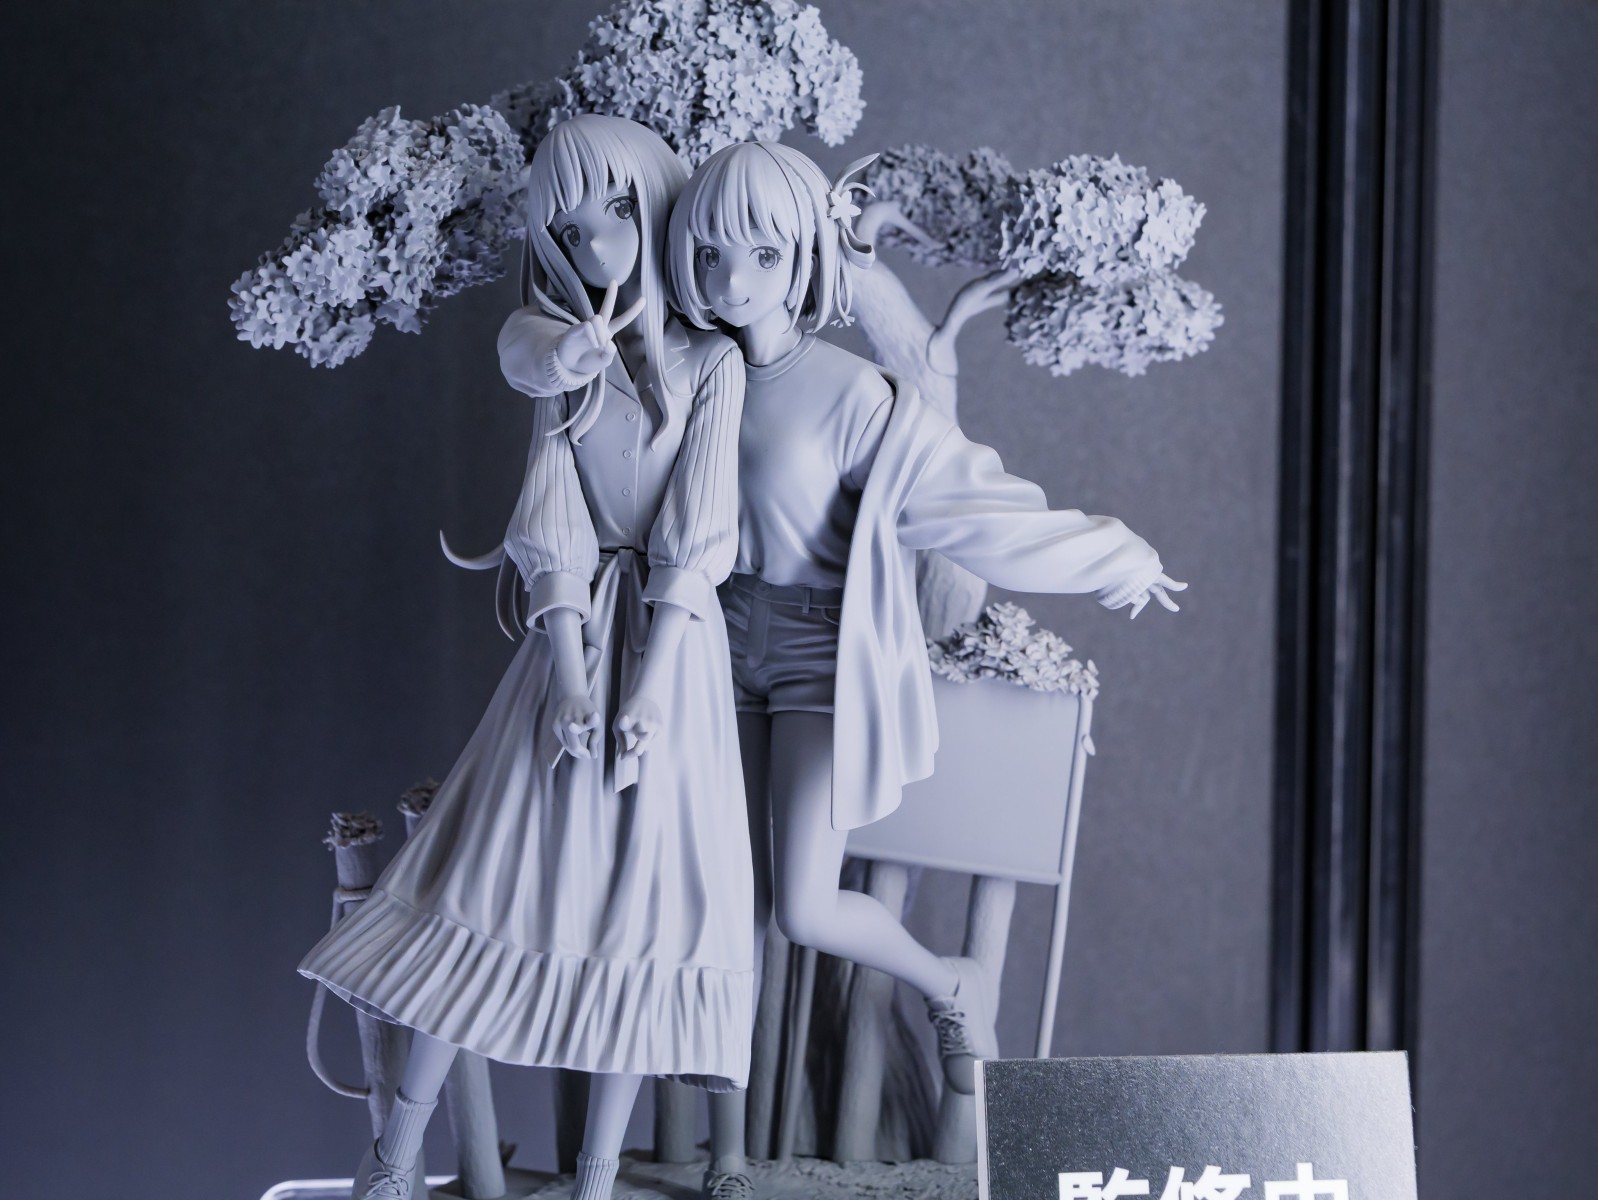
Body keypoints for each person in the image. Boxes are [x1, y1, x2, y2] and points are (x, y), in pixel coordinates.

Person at [665, 140, 1184, 1187]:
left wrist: (1108, 555)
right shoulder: (690, 368)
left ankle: (948, 985)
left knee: (804, 907)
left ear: (806, 254)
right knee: (718, 904)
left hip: (813, 652)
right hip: (712, 642)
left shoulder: (851, 391)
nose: (732, 279)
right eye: (711, 253)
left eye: (763, 254)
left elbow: (961, 499)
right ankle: (726, 1152)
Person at [300, 114, 752, 1200]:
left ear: (659, 200)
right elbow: (549, 514)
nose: (596, 244)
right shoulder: (559, 361)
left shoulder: (713, 363)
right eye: (569, 228)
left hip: (675, 655)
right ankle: (392, 1161)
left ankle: (594, 1182)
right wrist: (572, 674)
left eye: (617, 210)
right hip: (571, 640)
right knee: (485, 889)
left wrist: (648, 689)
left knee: (645, 922)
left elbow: (699, 531)